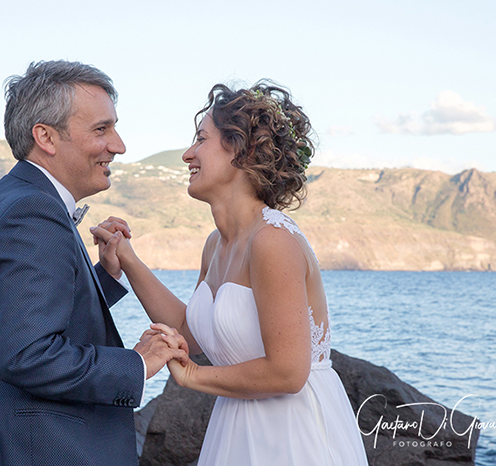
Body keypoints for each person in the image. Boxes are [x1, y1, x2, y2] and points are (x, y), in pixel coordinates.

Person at [92, 82, 369, 465]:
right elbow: (192, 334)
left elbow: (289, 372)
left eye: (201, 140)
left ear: (242, 150)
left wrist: (193, 377)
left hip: (291, 435)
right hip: (236, 426)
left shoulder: (272, 241)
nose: (188, 154)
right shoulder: (216, 245)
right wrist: (128, 260)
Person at [0, 60, 188, 466]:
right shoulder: (33, 211)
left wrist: (104, 276)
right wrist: (139, 363)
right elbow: (29, 354)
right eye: (101, 129)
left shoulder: (11, 197)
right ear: (46, 137)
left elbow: (20, 310)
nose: (119, 145)